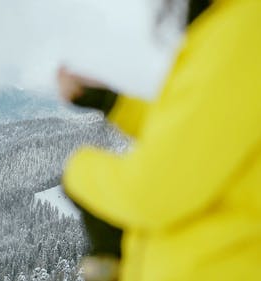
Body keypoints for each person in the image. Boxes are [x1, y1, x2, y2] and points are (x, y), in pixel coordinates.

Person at [58, 0, 261, 280]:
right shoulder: (232, 26)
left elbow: (154, 189)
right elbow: (205, 132)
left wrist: (79, 170)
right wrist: (113, 103)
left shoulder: (242, 33)